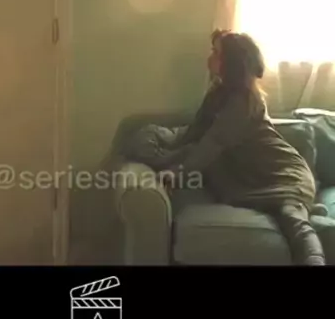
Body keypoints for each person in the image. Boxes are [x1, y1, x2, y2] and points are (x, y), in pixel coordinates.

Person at [126, 29, 326, 266]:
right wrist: (160, 144)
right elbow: (194, 134)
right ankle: (312, 208)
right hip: (249, 177)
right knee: (149, 141)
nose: (210, 57)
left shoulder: (244, 101)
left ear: (232, 63)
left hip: (282, 174)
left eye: (216, 53)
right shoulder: (217, 94)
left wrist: (178, 172)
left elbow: (212, 144)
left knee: (293, 219)